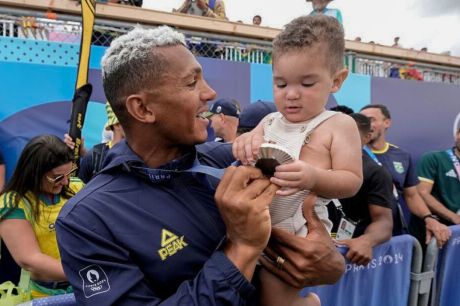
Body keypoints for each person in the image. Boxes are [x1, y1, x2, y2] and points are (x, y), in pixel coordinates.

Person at [56, 26, 346, 306]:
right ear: (143, 109)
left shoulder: (231, 160)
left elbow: (306, 233)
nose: (210, 93)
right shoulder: (86, 219)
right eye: (191, 82)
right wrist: (241, 248)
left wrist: (326, 260)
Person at [233, 15, 363, 306]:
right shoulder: (268, 120)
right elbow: (243, 147)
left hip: (296, 229)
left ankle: (308, 303)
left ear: (337, 80)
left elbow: (352, 181)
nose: (291, 94)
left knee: (275, 295)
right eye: (280, 84)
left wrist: (314, 177)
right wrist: (243, 143)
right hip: (255, 222)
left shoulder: (338, 124)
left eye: (307, 83)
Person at [0, 135, 82, 299]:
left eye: (70, 172)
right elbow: (29, 259)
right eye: (58, 177)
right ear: (34, 173)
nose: (66, 182)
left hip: (85, 287)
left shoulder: (77, 186)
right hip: (44, 295)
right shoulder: (13, 202)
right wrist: (86, 273)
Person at [360, 104, 451, 248]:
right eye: (363, 120)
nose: (367, 125)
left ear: (387, 123)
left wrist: (429, 218)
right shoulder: (352, 153)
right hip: (360, 235)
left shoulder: (401, 155)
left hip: (393, 234)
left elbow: (411, 196)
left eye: (371, 119)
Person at [333, 113, 393, 266]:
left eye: (351, 135)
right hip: (312, 248)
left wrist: (366, 241)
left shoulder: (376, 173)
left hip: (347, 257)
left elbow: (383, 221)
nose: (341, 139)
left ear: (366, 138)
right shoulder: (313, 163)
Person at [411, 127, 460, 243]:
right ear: (458, 134)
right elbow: (422, 193)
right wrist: (456, 218)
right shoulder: (433, 158)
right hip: (435, 232)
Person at [65, 102, 125, 183]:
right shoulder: (95, 156)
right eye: (132, 120)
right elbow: (79, 192)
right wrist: (69, 154)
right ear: (117, 125)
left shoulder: (144, 155)